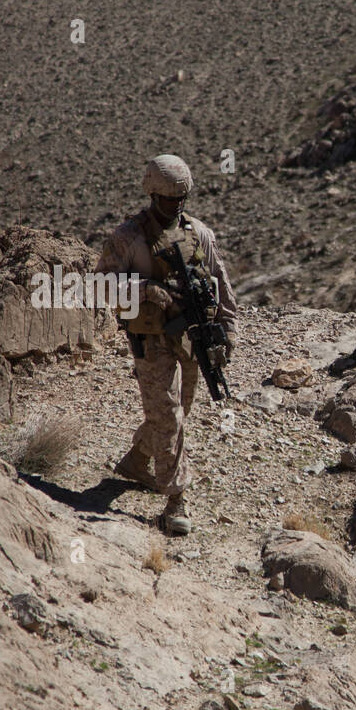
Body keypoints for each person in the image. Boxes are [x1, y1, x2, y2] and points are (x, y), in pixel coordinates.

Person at [94, 154, 237, 536]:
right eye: (168, 199)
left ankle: (138, 460)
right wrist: (147, 291)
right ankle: (176, 500)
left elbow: (220, 283)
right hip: (150, 339)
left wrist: (229, 330)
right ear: (152, 194)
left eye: (181, 198)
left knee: (178, 410)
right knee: (169, 415)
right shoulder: (128, 237)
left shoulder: (199, 233)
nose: (176, 205)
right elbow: (99, 286)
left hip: (190, 336)